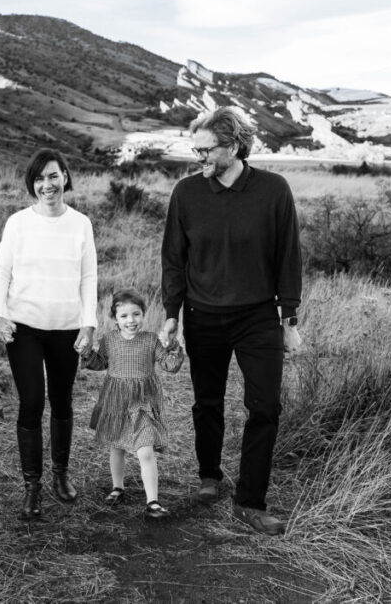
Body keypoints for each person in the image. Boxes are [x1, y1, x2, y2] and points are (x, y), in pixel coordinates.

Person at [159, 106, 303, 535]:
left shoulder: (273, 190)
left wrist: (289, 319)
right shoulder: (186, 193)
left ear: (234, 146)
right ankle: (209, 477)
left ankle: (250, 503)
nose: (198, 158)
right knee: (207, 403)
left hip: (258, 316)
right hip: (204, 316)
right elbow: (173, 259)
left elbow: (288, 256)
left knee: (265, 407)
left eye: (206, 150)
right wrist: (172, 314)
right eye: (195, 149)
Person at [0, 148, 98, 520]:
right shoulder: (18, 223)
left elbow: (88, 278)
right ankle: (31, 486)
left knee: (63, 400)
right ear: (32, 184)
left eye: (53, 176)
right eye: (39, 178)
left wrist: (89, 322)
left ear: (65, 177)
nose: (46, 185)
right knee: (32, 401)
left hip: (67, 326)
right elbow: (2, 272)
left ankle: (60, 475)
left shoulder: (81, 224)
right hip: (24, 327)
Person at [82, 289, 183, 520]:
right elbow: (100, 363)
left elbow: (170, 365)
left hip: (143, 401)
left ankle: (153, 501)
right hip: (116, 401)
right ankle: (118, 487)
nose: (131, 321)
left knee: (145, 450)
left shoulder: (150, 340)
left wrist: (173, 346)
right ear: (114, 318)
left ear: (143, 314)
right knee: (117, 446)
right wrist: (87, 352)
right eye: (124, 316)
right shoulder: (109, 340)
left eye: (136, 314)